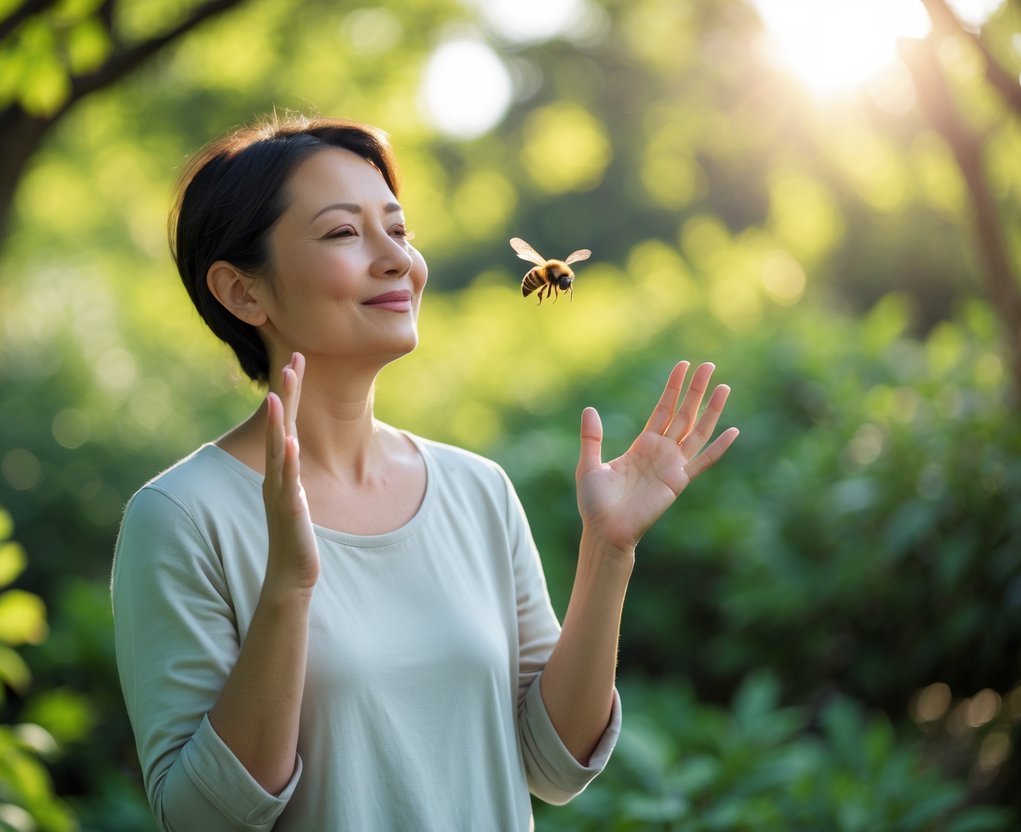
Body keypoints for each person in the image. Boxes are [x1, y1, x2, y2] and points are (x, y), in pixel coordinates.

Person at [110, 114, 738, 832]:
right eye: (344, 233)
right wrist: (287, 587)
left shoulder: (477, 491)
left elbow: (552, 767)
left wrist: (609, 551)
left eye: (399, 231)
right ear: (241, 292)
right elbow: (201, 819)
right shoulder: (181, 516)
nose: (397, 261)